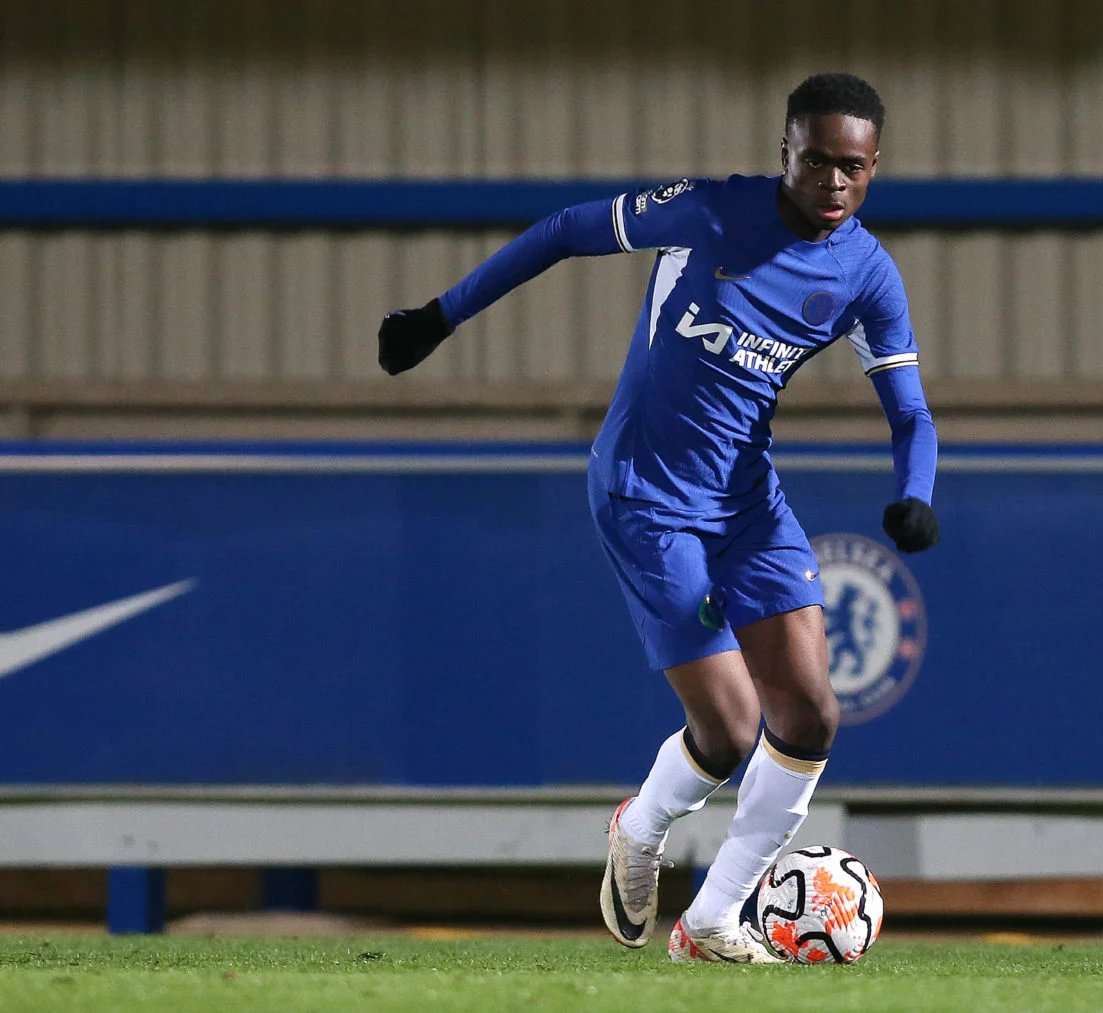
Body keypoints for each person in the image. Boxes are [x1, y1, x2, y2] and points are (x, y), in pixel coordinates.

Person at [377, 72, 940, 963]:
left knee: (810, 714)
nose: (835, 183)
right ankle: (639, 828)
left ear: (875, 167)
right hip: (645, 493)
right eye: (818, 161)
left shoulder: (867, 273)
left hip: (747, 501)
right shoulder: (708, 211)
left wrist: (916, 494)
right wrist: (441, 315)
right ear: (785, 152)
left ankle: (712, 920)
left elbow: (910, 413)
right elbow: (567, 230)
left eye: (855, 168)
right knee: (729, 728)